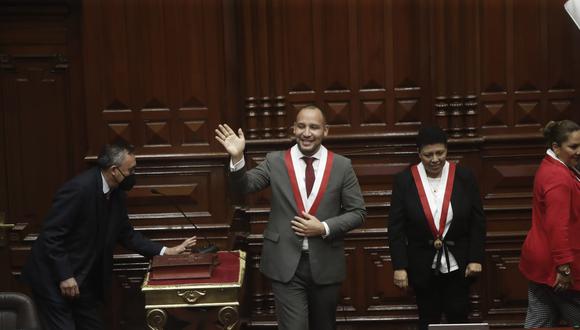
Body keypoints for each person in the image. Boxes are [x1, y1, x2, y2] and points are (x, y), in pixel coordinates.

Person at [215, 105, 366, 330]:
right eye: (301, 126)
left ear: (326, 131)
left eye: (314, 127)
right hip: (285, 263)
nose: (307, 133)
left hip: (325, 263)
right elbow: (245, 186)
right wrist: (237, 157)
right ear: (293, 129)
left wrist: (323, 227)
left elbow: (358, 212)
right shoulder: (275, 161)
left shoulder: (342, 166)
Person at [22, 142, 197, 330]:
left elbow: (127, 235)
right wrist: (64, 275)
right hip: (53, 278)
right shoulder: (79, 189)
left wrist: (166, 251)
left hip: (82, 279)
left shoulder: (116, 194)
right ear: (114, 170)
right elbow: (51, 235)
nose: (133, 175)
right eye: (131, 170)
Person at [388, 126, 486, 330]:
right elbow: (395, 228)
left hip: (459, 264)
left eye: (440, 153)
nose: (435, 159)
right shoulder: (404, 180)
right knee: (427, 320)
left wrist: (475, 258)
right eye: (428, 154)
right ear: (419, 154)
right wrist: (400, 266)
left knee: (459, 317)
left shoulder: (465, 177)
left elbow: (477, 221)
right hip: (422, 265)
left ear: (447, 150)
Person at [519, 120, 580, 328]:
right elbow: (558, 225)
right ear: (556, 147)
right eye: (573, 147)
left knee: (539, 323)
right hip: (558, 268)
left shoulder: (551, 165)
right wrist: (564, 268)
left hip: (540, 263)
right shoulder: (558, 177)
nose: (579, 151)